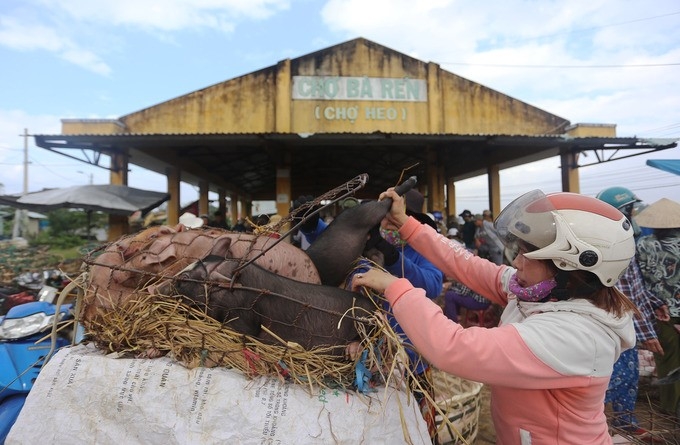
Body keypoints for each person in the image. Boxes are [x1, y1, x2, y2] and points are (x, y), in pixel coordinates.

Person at [353, 188, 639, 444]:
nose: (516, 262)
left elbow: (454, 348)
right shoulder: (538, 291)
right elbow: (470, 266)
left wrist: (396, 287)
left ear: (571, 267)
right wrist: (408, 225)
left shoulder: (577, 336)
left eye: (528, 254)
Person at [596, 187, 668, 436]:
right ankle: (600, 426)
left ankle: (624, 421)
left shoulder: (625, 241)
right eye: (631, 209)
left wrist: (655, 303)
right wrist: (647, 333)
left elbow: (636, 286)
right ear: (622, 212)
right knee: (615, 378)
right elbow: (625, 298)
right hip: (615, 325)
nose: (634, 214)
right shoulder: (613, 246)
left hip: (624, 323)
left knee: (628, 377)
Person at [635, 197, 680, 420]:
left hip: (659, 311)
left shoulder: (642, 245)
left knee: (667, 359)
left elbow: (640, 280)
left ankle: (670, 406)